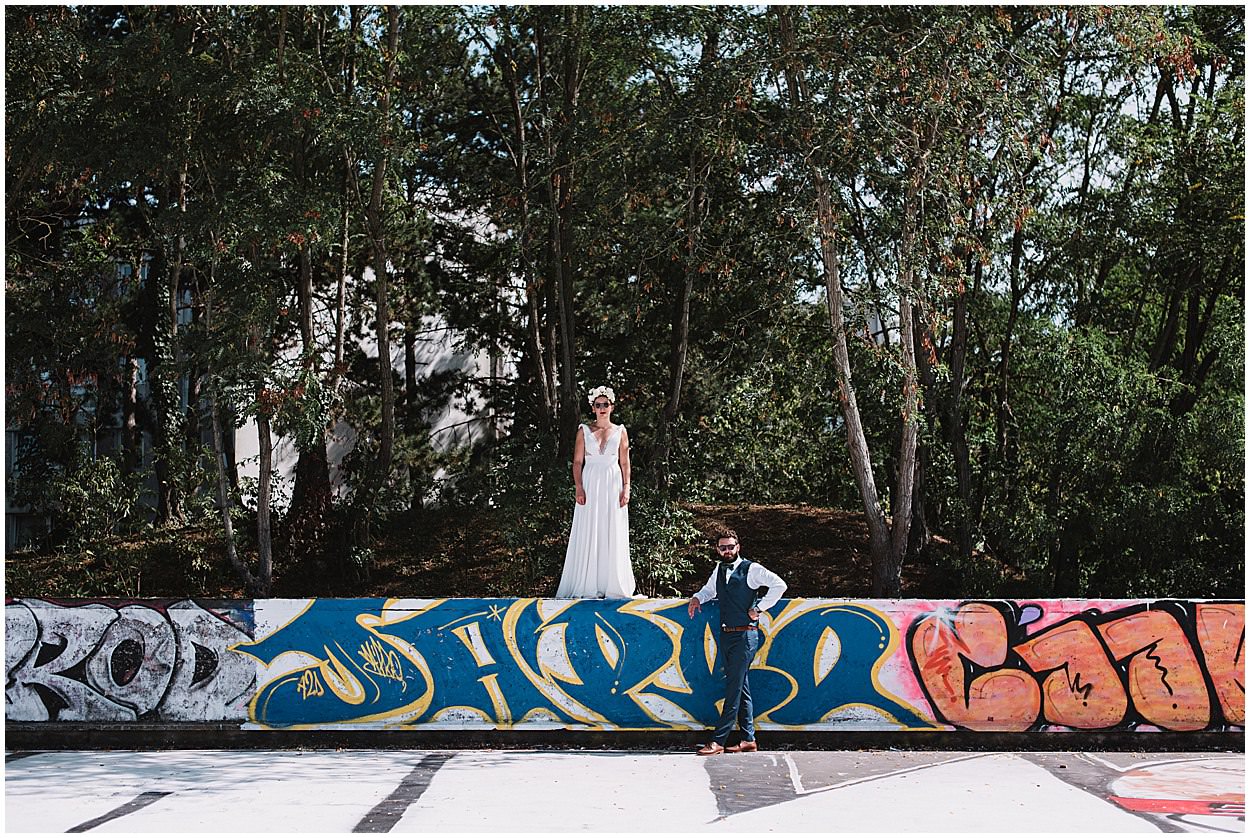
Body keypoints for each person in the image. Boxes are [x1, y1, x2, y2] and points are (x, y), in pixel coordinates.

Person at [686, 528, 787, 755]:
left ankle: (718, 740)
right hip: (727, 635)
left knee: (733, 689)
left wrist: (759, 607)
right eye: (723, 547)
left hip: (745, 636)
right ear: (717, 549)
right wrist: (696, 598)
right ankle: (748, 739)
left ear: (738, 547)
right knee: (741, 687)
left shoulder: (752, 569)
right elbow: (709, 591)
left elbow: (780, 585)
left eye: (731, 547)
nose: (727, 551)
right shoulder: (719, 569)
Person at [555, 386, 636, 599]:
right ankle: (587, 583)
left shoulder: (620, 431)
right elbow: (577, 462)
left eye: (605, 404)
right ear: (593, 408)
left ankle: (612, 584)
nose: (602, 408)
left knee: (611, 528)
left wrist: (626, 487)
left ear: (612, 407)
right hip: (591, 483)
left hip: (612, 484)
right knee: (590, 528)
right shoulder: (583, 431)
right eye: (598, 405)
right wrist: (579, 486)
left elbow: (625, 462)